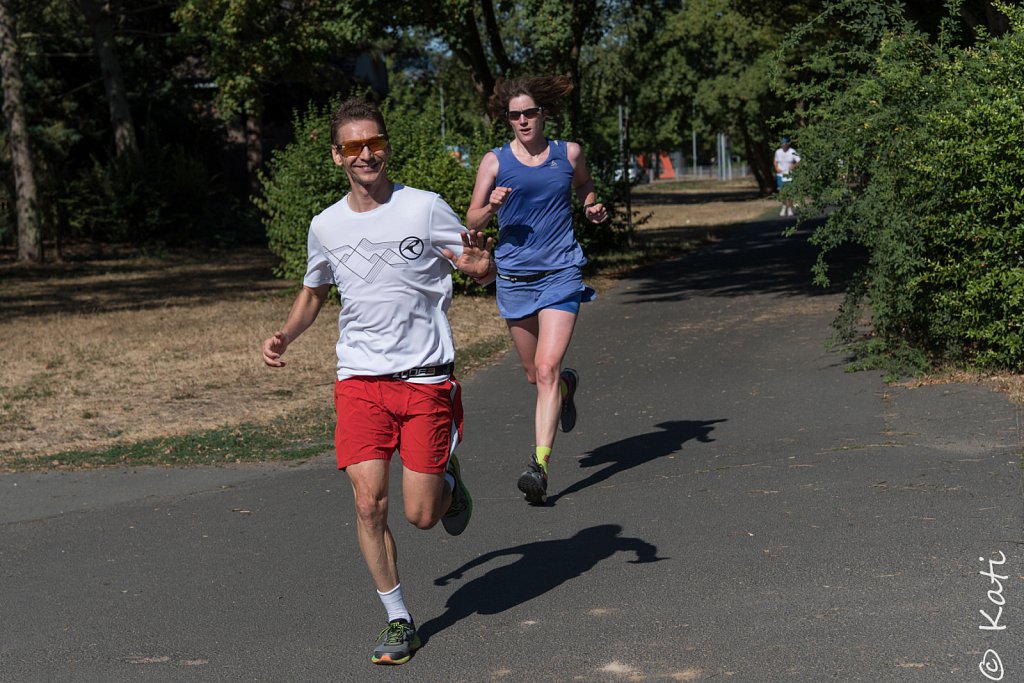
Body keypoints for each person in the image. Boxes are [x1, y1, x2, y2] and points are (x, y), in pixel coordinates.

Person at [261, 97, 494, 666]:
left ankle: (445, 479)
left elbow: (471, 260)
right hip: (360, 379)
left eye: (375, 143)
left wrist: (480, 267)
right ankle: (399, 620)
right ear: (337, 156)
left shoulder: (424, 208)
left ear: (386, 146)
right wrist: (286, 335)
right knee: (369, 505)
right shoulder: (326, 225)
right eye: (354, 146)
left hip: (424, 379)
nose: (367, 154)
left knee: (419, 514)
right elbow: (315, 290)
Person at [466, 75, 607, 505]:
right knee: (536, 375)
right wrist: (492, 206)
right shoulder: (494, 162)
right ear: (507, 121)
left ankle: (539, 466)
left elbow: (583, 185)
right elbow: (471, 222)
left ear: (543, 114)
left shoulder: (569, 154)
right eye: (515, 116)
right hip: (513, 280)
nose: (523, 121)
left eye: (530, 113)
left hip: (561, 273)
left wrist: (590, 204)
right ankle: (566, 388)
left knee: (546, 367)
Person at [773, 135, 801, 216]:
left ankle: (790, 208)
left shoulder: (792, 151)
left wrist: (794, 166)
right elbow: (775, 161)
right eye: (782, 143)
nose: (784, 145)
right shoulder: (778, 152)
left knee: (790, 193)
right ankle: (784, 206)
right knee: (782, 193)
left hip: (789, 175)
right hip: (780, 175)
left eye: (785, 143)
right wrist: (776, 168)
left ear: (788, 144)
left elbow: (799, 161)